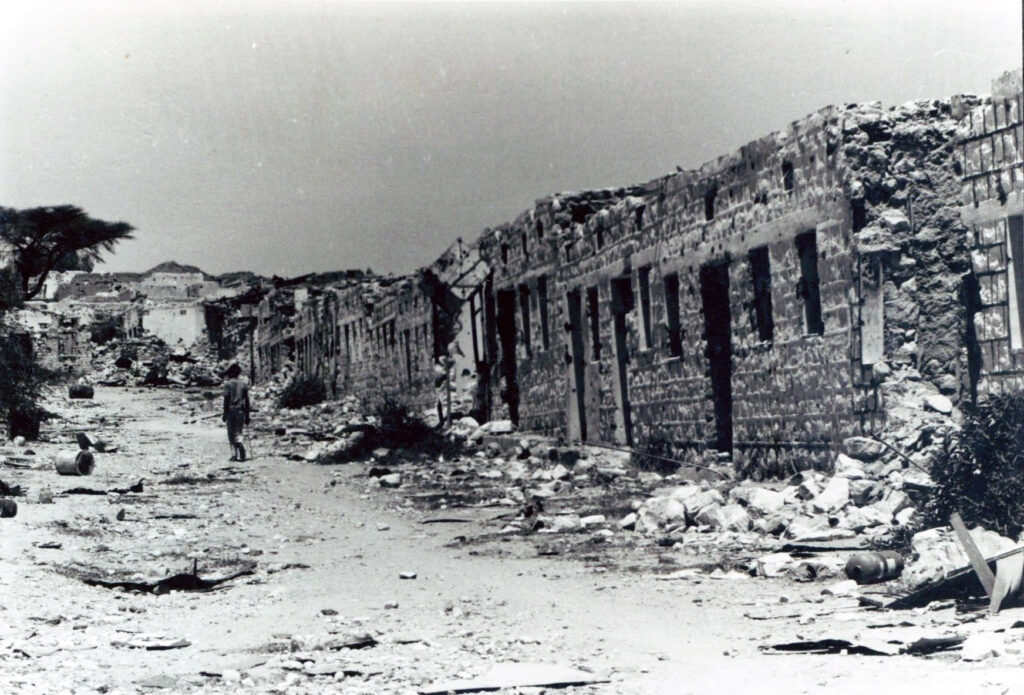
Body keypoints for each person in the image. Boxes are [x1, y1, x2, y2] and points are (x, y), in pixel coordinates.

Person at [222, 363, 251, 461]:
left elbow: (226, 399)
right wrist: (247, 415)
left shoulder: (228, 384)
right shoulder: (243, 384)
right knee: (239, 431)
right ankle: (240, 443)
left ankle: (234, 454)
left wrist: (224, 413)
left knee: (231, 433)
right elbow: (247, 400)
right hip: (241, 411)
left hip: (231, 411)